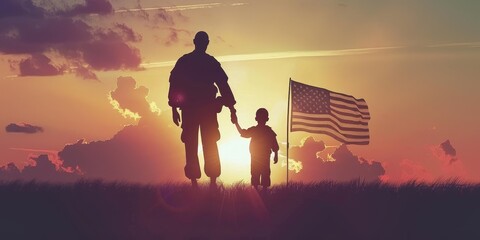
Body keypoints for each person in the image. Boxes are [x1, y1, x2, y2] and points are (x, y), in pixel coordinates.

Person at [168, 31, 237, 187]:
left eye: (204, 41)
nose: (203, 44)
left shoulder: (206, 62)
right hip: (193, 109)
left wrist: (232, 108)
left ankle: (211, 180)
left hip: (205, 110)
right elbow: (175, 83)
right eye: (202, 41)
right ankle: (195, 181)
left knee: (209, 143)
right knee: (193, 144)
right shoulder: (188, 61)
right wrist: (173, 107)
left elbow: (223, 85)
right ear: (196, 42)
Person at [233, 108, 279, 189]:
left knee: (262, 174)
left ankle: (262, 193)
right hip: (256, 156)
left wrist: (276, 155)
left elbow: (274, 144)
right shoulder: (261, 130)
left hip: (262, 157)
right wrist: (236, 123)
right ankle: (259, 193)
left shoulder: (267, 131)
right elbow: (243, 133)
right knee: (256, 174)